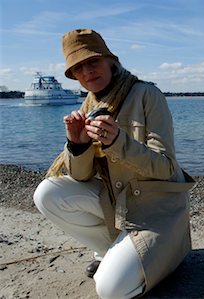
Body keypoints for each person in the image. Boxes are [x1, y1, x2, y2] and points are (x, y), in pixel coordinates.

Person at [33, 28, 195, 298]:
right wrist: (77, 144)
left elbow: (166, 168)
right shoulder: (87, 108)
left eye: (93, 61)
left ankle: (168, 253)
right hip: (118, 204)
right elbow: (81, 178)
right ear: (74, 76)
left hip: (155, 210)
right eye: (78, 67)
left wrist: (117, 141)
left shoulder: (147, 95)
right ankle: (112, 251)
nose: (87, 72)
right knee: (47, 193)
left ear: (110, 61)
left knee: (110, 290)